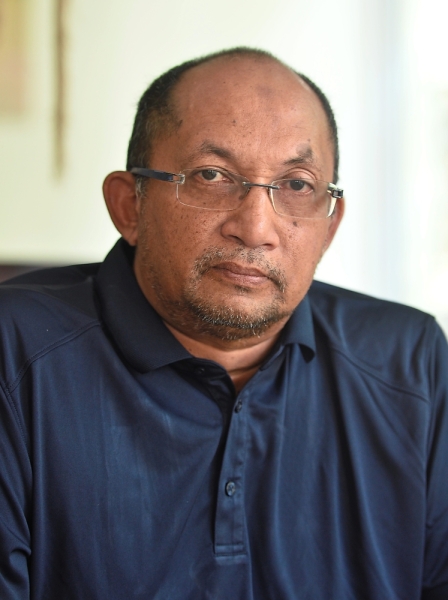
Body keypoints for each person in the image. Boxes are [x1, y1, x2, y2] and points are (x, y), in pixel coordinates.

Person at [0, 47, 447, 600]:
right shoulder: (16, 356)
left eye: (297, 185)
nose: (256, 228)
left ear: (329, 228)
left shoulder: (410, 363)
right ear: (130, 206)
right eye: (211, 175)